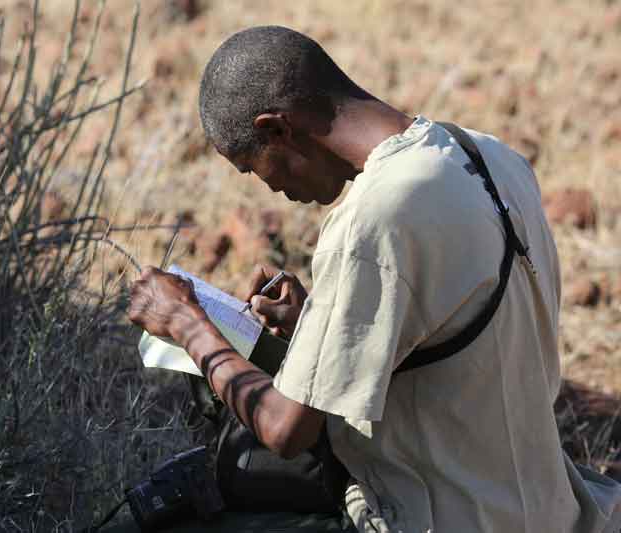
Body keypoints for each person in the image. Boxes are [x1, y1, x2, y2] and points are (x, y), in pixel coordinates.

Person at [123, 26, 621, 532]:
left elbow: (284, 429)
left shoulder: (372, 220)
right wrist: (320, 319)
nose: (270, 187)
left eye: (253, 167)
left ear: (276, 129)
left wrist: (185, 323)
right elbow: (456, 327)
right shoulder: (488, 156)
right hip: (540, 506)